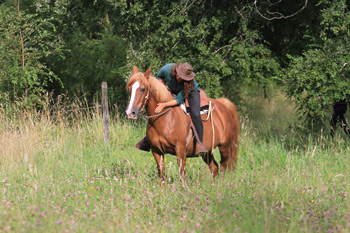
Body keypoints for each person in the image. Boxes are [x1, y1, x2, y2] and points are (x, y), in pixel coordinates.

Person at [135, 62, 207, 154]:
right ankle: (147, 140)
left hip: (191, 92)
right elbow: (159, 76)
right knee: (154, 111)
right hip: (172, 89)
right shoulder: (166, 69)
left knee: (196, 114)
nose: (179, 78)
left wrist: (164, 105)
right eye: (179, 75)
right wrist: (162, 88)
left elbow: (178, 100)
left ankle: (199, 144)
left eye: (183, 78)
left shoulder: (189, 84)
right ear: (176, 71)